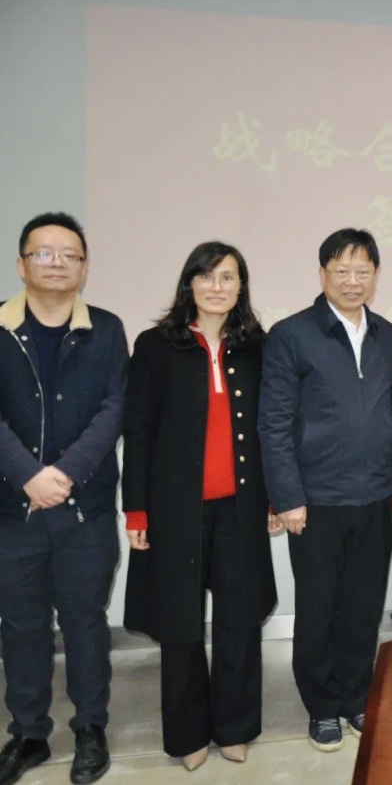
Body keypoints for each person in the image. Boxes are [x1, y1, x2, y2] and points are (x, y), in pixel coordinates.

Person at [121, 242, 280, 770]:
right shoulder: (155, 346)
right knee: (181, 624)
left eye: (228, 278)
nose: (217, 287)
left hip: (242, 507)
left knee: (239, 621)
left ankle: (235, 727)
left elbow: (271, 429)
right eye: (207, 276)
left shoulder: (257, 347)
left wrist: (275, 497)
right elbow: (138, 433)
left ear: (241, 287)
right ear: (189, 283)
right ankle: (188, 734)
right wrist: (136, 510)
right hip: (175, 512)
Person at [258, 229, 392, 751]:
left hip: (374, 495)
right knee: (319, 609)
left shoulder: (388, 334)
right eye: (341, 270)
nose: (352, 281)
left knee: (364, 608)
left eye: (362, 271)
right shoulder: (292, 335)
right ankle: (322, 706)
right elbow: (273, 422)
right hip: (315, 500)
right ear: (322, 274)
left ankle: (356, 698)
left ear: (375, 276)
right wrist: (287, 497)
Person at [0, 212, 127, 785]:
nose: (56, 263)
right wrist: (28, 475)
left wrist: (65, 475)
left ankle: (90, 728)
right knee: (21, 625)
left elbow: (113, 410)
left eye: (68, 255)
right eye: (43, 253)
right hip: (12, 508)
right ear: (22, 263)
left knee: (85, 622)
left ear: (84, 267)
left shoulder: (107, 329)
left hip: (84, 510)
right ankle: (28, 734)